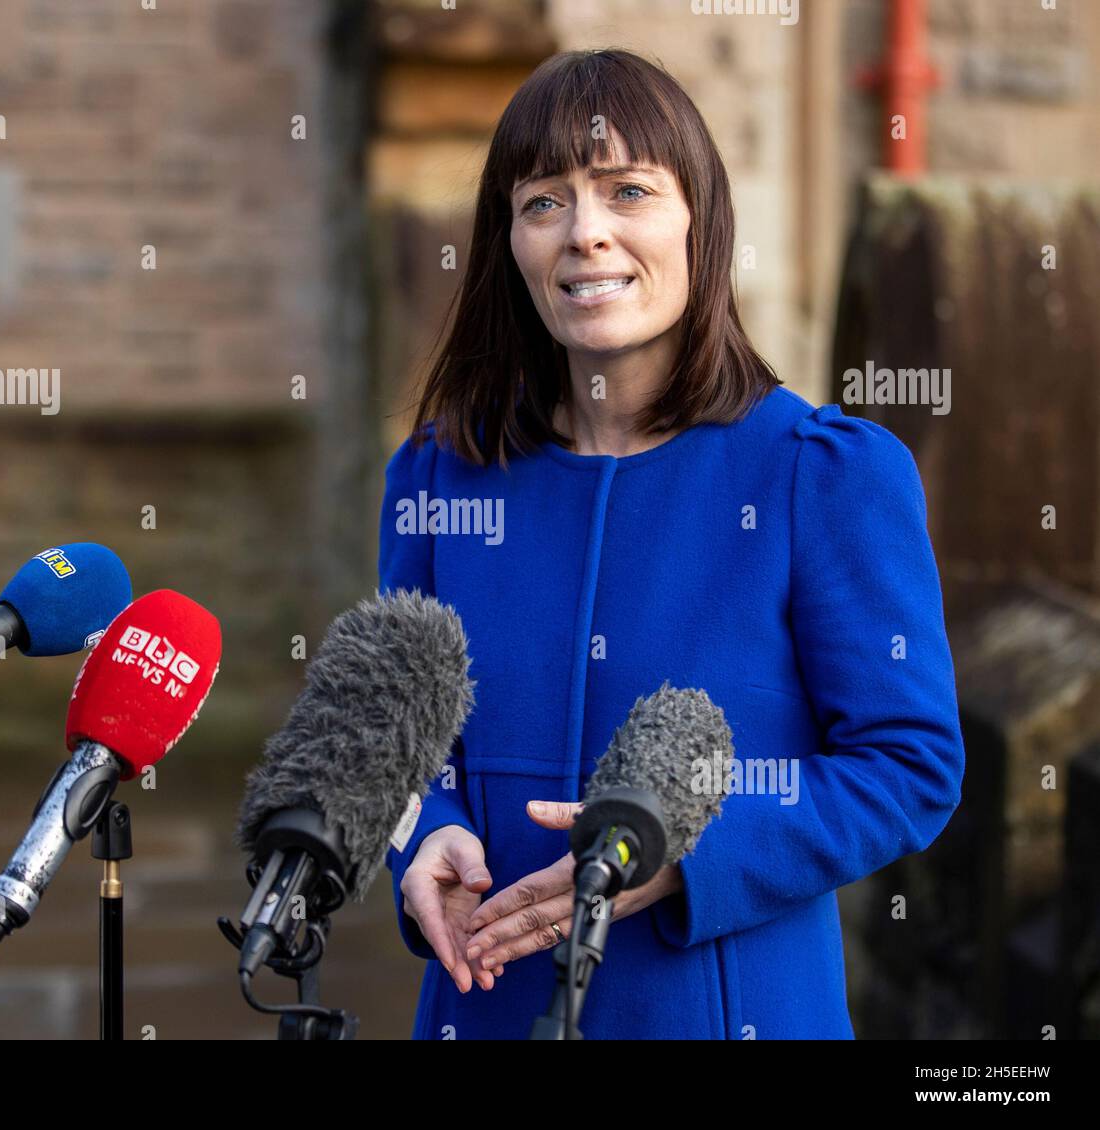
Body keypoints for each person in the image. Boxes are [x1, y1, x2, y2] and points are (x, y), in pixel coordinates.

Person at [379, 47, 964, 1039]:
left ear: (700, 221)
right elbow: (402, 737)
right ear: (509, 241)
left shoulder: (821, 474)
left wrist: (690, 851)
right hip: (484, 1005)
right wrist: (419, 835)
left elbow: (905, 763)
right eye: (543, 202)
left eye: (628, 191)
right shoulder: (440, 475)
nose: (586, 235)